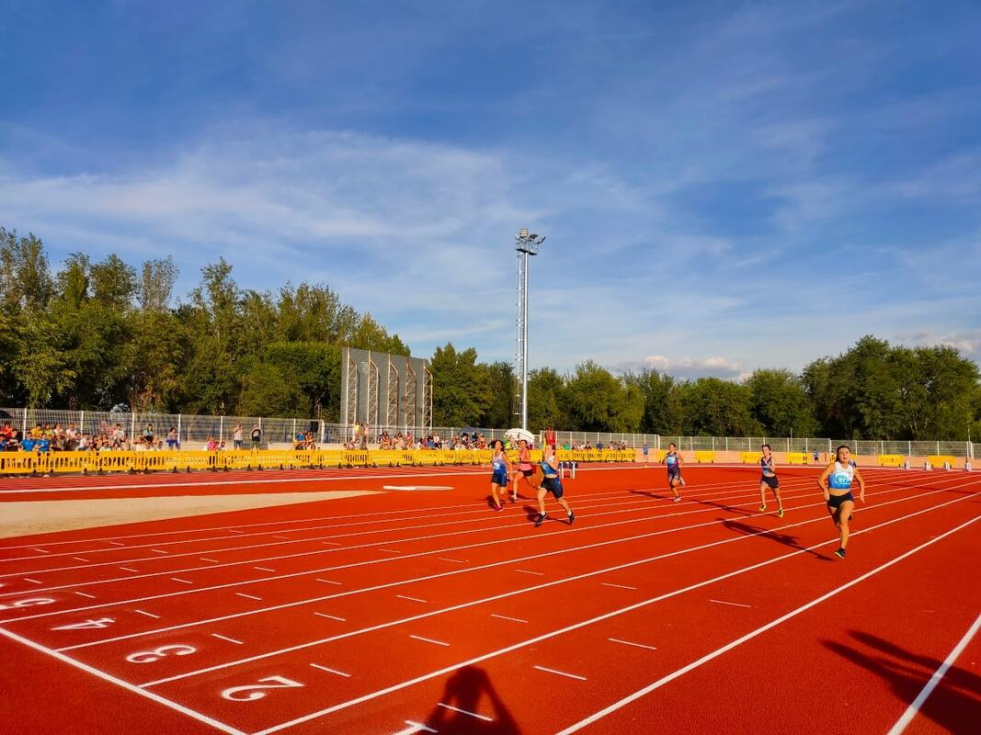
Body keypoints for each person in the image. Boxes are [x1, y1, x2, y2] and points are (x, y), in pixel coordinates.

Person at [818, 444, 866, 559]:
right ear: (837, 455)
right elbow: (820, 479)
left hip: (846, 498)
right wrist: (824, 490)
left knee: (843, 521)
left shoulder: (852, 469)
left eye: (846, 453)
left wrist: (861, 493)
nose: (844, 455)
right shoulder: (833, 466)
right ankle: (847, 514)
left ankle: (842, 549)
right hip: (832, 500)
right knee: (839, 525)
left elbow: (861, 482)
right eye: (841, 453)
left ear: (850, 455)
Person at [534, 443, 575, 527]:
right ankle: (543, 513)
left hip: (554, 481)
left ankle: (569, 512)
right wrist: (542, 478)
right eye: (546, 449)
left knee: (560, 501)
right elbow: (543, 468)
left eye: (548, 449)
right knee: (539, 497)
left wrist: (547, 460)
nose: (546, 450)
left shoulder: (555, 458)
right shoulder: (544, 458)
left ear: (553, 451)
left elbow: (555, 468)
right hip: (546, 481)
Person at [758, 443, 784, 517]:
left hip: (772, 479)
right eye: (763, 450)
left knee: (777, 496)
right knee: (761, 488)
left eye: (766, 449)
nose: (764, 451)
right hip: (765, 478)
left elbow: (773, 469)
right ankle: (763, 504)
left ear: (769, 451)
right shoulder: (762, 459)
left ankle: (780, 508)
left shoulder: (772, 458)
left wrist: (767, 464)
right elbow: (763, 468)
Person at [488, 439, 511, 512]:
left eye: (498, 444)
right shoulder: (493, 454)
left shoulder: (502, 455)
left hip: (502, 475)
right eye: (495, 444)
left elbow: (509, 464)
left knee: (502, 492)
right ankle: (499, 506)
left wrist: (510, 474)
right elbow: (492, 464)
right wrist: (485, 466)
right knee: (493, 491)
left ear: (501, 447)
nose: (496, 445)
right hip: (495, 474)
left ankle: (506, 482)